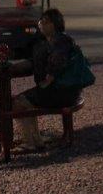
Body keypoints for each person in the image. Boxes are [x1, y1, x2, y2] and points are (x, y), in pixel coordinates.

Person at [12, 9, 85, 150]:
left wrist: (47, 81)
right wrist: (13, 66)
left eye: (45, 22)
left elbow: (57, 63)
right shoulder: (46, 42)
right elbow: (34, 61)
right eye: (40, 21)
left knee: (17, 103)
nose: (40, 24)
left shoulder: (61, 41)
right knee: (25, 100)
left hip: (62, 92)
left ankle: (30, 141)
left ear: (54, 24)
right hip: (62, 90)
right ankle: (36, 139)